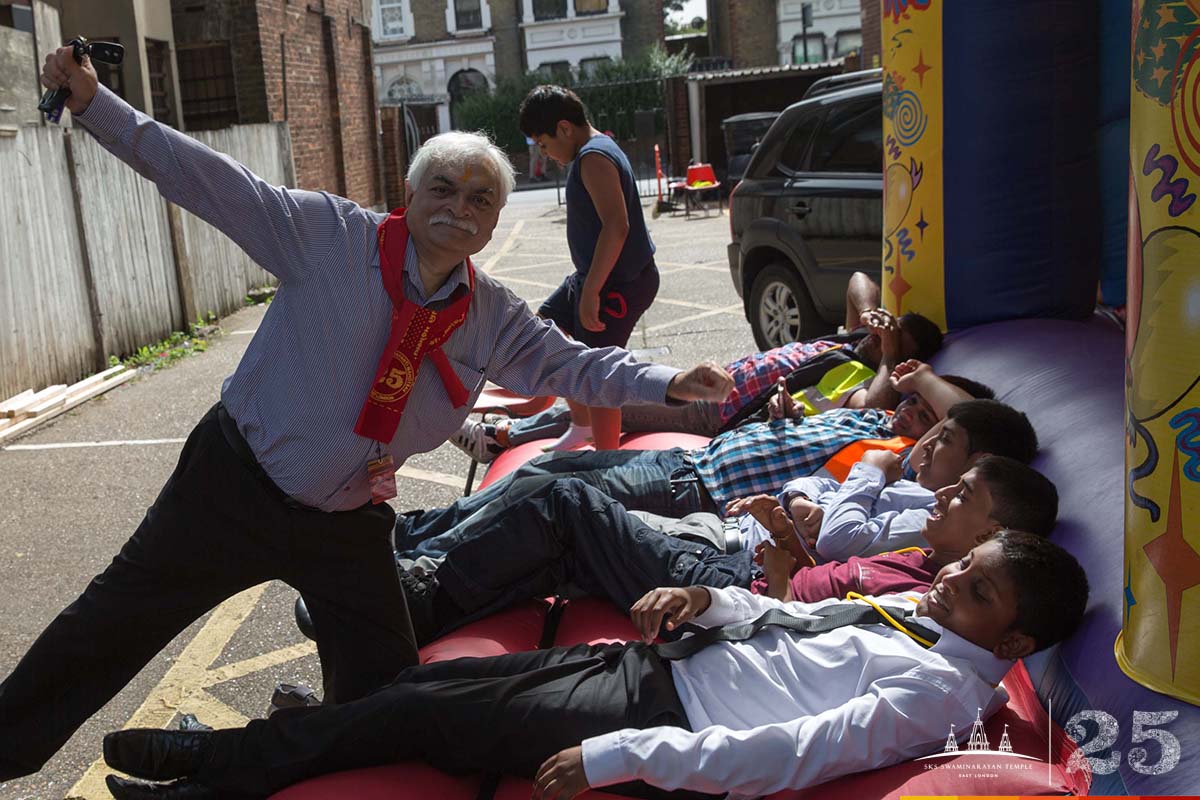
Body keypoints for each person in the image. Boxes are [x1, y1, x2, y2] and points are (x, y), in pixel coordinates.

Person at [0, 47, 733, 781]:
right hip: (231, 489)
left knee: (382, 694)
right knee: (104, 633)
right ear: (408, 198)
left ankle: (237, 767)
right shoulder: (328, 236)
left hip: (347, 522)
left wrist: (669, 381)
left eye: (482, 201)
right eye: (443, 189)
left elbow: (573, 362)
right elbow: (201, 177)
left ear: (493, 224)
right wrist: (96, 104)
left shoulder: (488, 313)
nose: (461, 208)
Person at [102, 533, 1089, 800]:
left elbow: (794, 752)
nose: (951, 575)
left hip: (666, 711)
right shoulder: (918, 622)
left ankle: (219, 764)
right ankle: (243, 763)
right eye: (965, 563)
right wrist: (708, 599)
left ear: (1009, 645)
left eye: (978, 586)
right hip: (666, 662)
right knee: (421, 689)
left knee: (420, 716)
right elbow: (787, 617)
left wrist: (620, 755)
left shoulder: (935, 690)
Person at [388, 409, 1050, 644]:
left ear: (992, 538)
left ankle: (409, 601)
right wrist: (791, 523)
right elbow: (819, 542)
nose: (927, 441)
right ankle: (407, 584)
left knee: (561, 504)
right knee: (556, 502)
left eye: (961, 491)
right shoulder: (926, 537)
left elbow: (820, 574)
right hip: (730, 541)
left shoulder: (929, 559)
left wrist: (799, 535)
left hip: (731, 570)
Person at [396, 373, 1002, 563]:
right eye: (913, 404)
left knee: (542, 491)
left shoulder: (896, 469)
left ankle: (420, 546)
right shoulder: (873, 423)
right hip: (695, 460)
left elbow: (976, 423)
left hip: (702, 492)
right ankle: (418, 531)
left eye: (932, 420)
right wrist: (783, 410)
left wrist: (924, 378)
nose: (912, 415)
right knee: (540, 475)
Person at [452, 295, 945, 463]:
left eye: (889, 337)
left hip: (713, 412)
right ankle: (509, 431)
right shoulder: (845, 340)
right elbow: (860, 283)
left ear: (897, 352)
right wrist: (875, 319)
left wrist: (889, 356)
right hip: (715, 387)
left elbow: (869, 406)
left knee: (607, 390)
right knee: (597, 387)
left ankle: (501, 440)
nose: (876, 334)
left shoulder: (862, 374)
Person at [519, 85, 662, 452]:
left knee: (600, 375)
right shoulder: (592, 150)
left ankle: (606, 464)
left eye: (544, 144)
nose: (546, 155)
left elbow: (617, 226)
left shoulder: (593, 158)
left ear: (564, 128)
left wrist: (592, 293)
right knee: (547, 331)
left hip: (619, 283)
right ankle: (581, 427)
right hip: (591, 277)